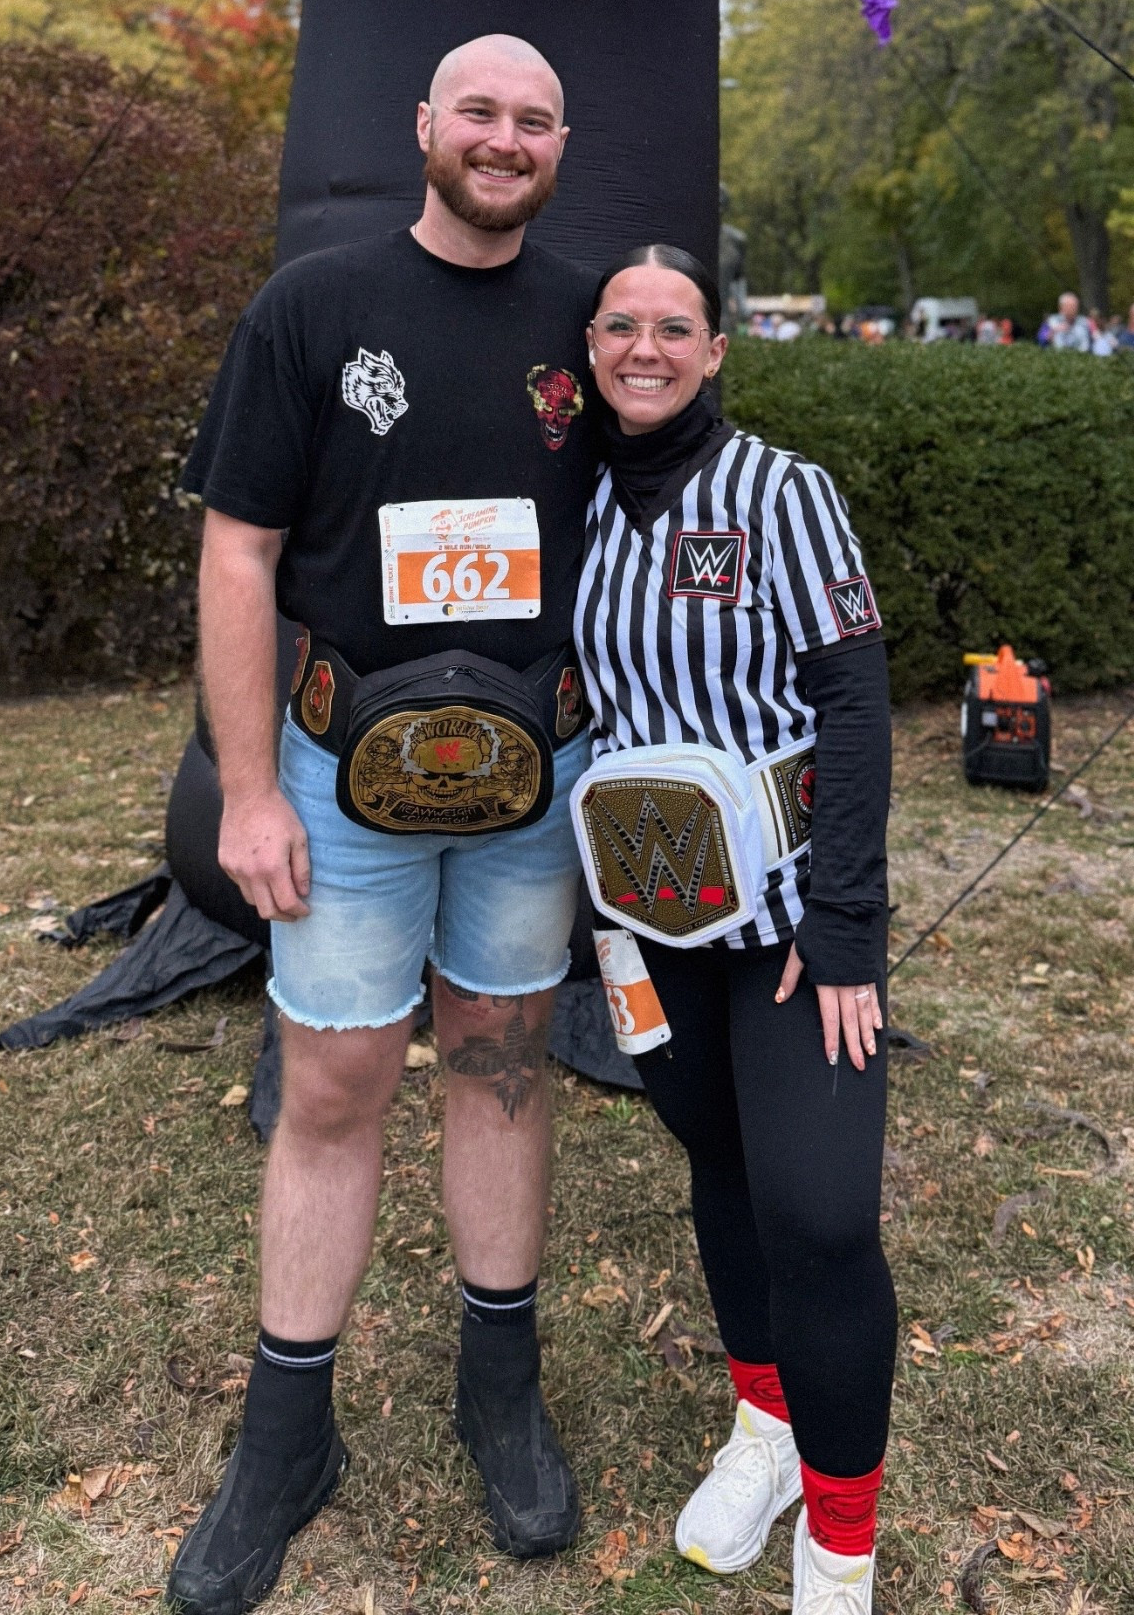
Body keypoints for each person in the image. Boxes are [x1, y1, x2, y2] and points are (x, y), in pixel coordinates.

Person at [171, 35, 601, 1613]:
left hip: (534, 782)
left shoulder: (594, 323)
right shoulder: (312, 309)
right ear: (424, 126)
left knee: (500, 1060)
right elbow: (238, 552)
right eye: (478, 111)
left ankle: (502, 1392)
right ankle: (286, 1437)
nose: (503, 138)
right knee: (335, 1084)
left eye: (533, 120)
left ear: (561, 146)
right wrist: (250, 791)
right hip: (342, 774)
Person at [573, 244, 894, 1614]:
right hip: (646, 922)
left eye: (674, 328)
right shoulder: (578, 497)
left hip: (786, 925)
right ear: (592, 348)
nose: (645, 348)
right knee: (719, 1161)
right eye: (620, 326)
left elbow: (859, 705)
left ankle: (841, 1547)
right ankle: (764, 1433)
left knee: (818, 1215)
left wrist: (848, 923)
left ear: (714, 350)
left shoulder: (781, 493)